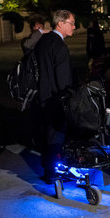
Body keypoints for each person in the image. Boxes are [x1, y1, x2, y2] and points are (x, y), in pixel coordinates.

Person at [35, 10, 76, 184]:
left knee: (47, 134)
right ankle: (52, 174)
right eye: (72, 23)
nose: (74, 26)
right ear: (60, 23)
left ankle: (47, 168)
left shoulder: (43, 41)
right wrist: (69, 97)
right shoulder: (59, 45)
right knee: (56, 136)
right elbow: (63, 79)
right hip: (56, 98)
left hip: (42, 95)